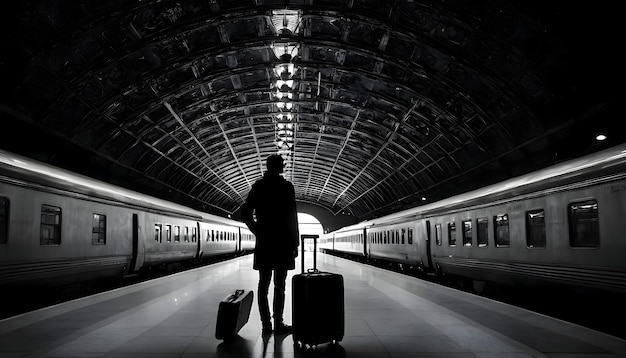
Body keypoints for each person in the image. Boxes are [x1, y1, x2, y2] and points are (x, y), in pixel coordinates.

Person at [241, 154, 299, 335]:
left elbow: (245, 212)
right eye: (282, 163)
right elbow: (292, 218)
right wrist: (294, 243)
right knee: (279, 285)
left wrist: (258, 230)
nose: (284, 165)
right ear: (277, 166)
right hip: (282, 242)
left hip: (265, 242)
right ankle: (278, 323)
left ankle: (266, 324)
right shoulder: (286, 187)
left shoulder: (259, 186)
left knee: (263, 284)